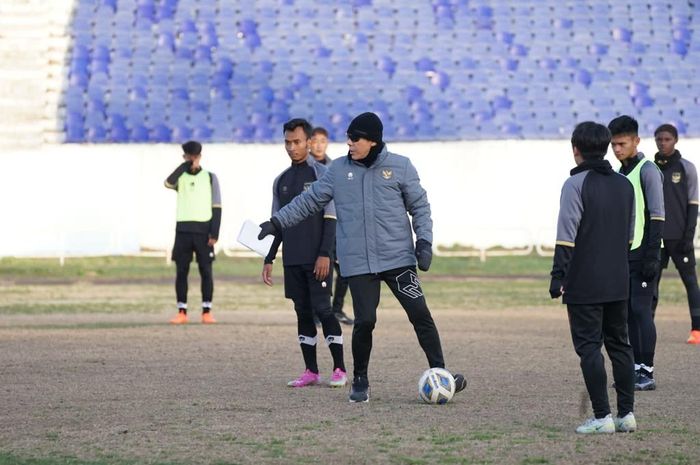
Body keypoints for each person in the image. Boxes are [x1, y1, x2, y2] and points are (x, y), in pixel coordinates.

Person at [258, 112, 466, 403]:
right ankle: (360, 379)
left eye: (355, 138)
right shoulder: (338, 170)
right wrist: (278, 222)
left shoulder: (401, 167)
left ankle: (441, 374)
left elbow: (420, 207)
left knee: (420, 314)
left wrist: (425, 242)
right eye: (348, 137)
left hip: (399, 260)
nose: (349, 143)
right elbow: (309, 201)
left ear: (373, 140)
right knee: (365, 321)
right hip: (358, 263)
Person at [549, 121, 637, 434]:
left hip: (584, 282)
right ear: (605, 147)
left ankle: (602, 417)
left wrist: (557, 277)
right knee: (620, 346)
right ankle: (626, 415)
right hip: (618, 280)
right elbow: (629, 237)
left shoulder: (575, 185)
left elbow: (566, 238)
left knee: (589, 348)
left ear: (576, 151)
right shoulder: (624, 184)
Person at [262, 118, 347, 388]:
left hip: (317, 257)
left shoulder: (323, 175)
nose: (291, 147)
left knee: (324, 309)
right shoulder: (281, 181)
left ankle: (340, 369)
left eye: (296, 141)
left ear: (309, 142)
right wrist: (269, 257)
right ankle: (310, 370)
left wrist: (325, 254)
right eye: (287, 142)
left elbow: (331, 217)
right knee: (302, 311)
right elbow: (277, 222)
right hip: (293, 257)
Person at [609, 115, 665, 391]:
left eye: (622, 143)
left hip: (644, 253)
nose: (617, 149)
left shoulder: (647, 169)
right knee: (628, 312)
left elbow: (657, 215)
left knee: (642, 311)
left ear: (636, 141)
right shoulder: (620, 174)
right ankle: (633, 367)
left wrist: (653, 255)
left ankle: (647, 370)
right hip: (624, 255)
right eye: (614, 144)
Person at [164, 141, 221, 324]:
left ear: (200, 157)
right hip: (183, 230)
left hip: (204, 231)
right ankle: (182, 311)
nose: (192, 160)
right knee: (182, 271)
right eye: (189, 157)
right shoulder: (180, 178)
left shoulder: (210, 177)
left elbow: (217, 206)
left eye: (194, 157)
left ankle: (206, 311)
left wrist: (215, 233)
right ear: (185, 157)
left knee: (206, 270)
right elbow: (167, 182)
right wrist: (184, 166)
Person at [653, 124, 700, 344]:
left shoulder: (687, 168)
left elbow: (693, 205)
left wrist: (688, 237)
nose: (663, 143)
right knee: (650, 285)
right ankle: (646, 327)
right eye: (659, 139)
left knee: (691, 283)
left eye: (667, 139)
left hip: (679, 238)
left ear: (676, 140)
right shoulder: (650, 168)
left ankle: (697, 330)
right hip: (655, 239)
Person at [309, 126, 354, 326]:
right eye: (315, 140)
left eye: (323, 141)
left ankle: (336, 309)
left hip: (335, 227)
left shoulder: (335, 168)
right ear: (309, 143)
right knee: (319, 272)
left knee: (344, 270)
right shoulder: (304, 168)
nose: (319, 145)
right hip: (313, 229)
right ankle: (318, 312)